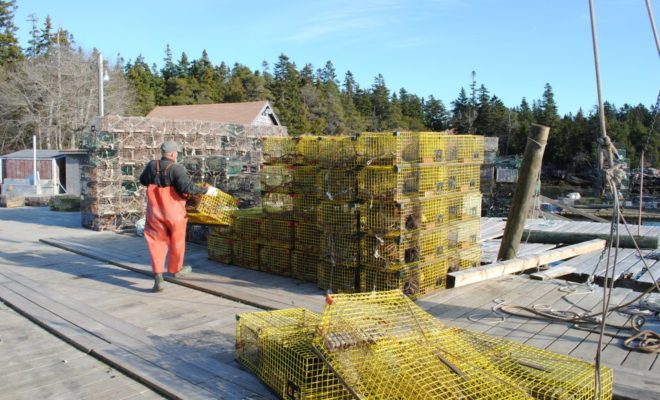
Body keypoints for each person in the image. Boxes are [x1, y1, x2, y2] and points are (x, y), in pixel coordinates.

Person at [139, 141, 219, 292]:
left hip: (155, 212)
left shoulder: (151, 165)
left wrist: (156, 181)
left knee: (156, 242)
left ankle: (158, 277)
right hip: (174, 212)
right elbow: (187, 188)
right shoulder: (176, 169)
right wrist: (207, 191)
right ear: (174, 154)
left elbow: (143, 181)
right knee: (177, 241)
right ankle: (176, 269)